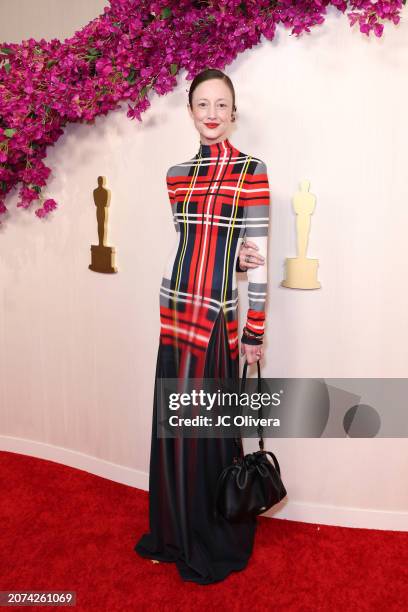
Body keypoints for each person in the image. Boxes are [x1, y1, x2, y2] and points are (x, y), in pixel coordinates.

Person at [134, 68, 271, 584]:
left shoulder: (252, 170)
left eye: (221, 105)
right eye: (202, 104)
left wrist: (254, 330)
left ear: (233, 113)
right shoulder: (175, 175)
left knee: (206, 432)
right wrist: (230, 259)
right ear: (190, 112)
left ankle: (209, 536)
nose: (211, 114)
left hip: (217, 318)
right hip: (174, 310)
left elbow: (255, 259)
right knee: (175, 430)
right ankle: (174, 533)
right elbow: (192, 244)